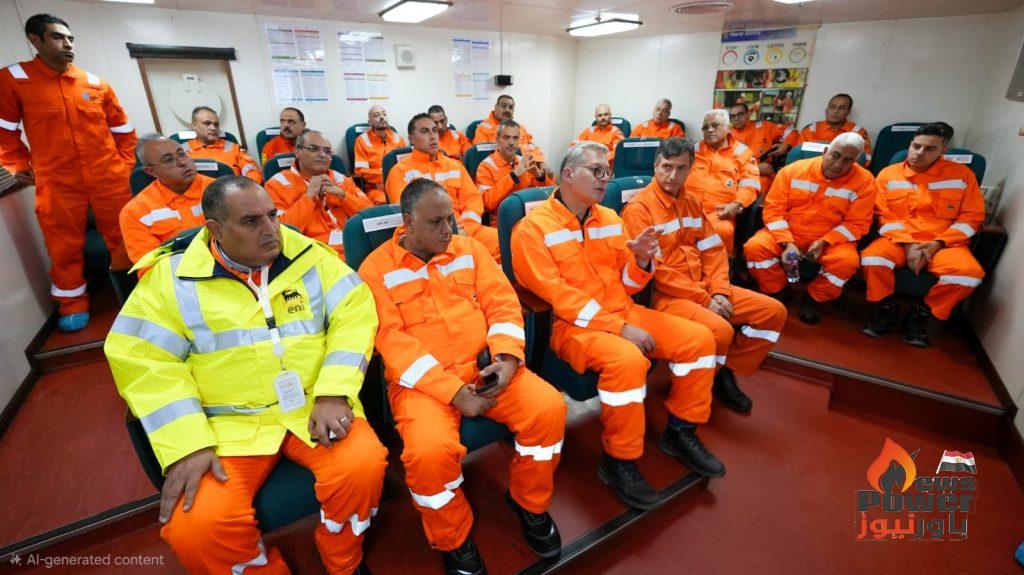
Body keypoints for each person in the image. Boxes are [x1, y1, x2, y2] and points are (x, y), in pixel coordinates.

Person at [104, 176, 387, 574]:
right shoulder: (170, 280)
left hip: (313, 405)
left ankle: (342, 558)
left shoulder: (310, 256)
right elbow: (142, 360)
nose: (271, 230)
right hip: (225, 427)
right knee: (197, 530)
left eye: (273, 215)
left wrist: (334, 391)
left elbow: (355, 317)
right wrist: (188, 444)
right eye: (251, 221)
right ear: (216, 229)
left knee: (363, 466)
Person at [359, 178, 567, 575]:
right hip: (422, 386)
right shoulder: (375, 269)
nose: (447, 230)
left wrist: (507, 358)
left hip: (487, 368)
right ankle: (453, 537)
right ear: (408, 223)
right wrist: (454, 392)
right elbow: (392, 342)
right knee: (428, 456)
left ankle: (528, 503)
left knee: (549, 409)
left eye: (450, 219)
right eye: (436, 222)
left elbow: (502, 304)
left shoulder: (469, 249)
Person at [513, 142, 723, 511]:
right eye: (596, 171)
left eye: (606, 171)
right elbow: (559, 298)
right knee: (627, 360)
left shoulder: (611, 218)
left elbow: (626, 284)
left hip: (623, 311)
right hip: (571, 328)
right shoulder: (531, 229)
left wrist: (640, 261)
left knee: (700, 339)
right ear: (568, 175)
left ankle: (681, 431)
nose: (605, 179)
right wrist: (619, 328)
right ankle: (618, 460)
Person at [622, 138, 787, 414]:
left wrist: (719, 290)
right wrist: (705, 299)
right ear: (655, 166)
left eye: (681, 168)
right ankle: (691, 395)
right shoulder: (639, 209)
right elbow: (657, 272)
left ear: (691, 169)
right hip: (667, 295)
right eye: (666, 167)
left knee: (773, 312)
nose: (673, 175)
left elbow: (713, 250)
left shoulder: (692, 202)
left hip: (706, 286)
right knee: (721, 331)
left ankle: (724, 371)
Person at [0, 13, 137, 331]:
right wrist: (18, 165)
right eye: (58, 37)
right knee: (63, 245)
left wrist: (123, 166)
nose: (68, 44)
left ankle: (138, 292)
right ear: (35, 40)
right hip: (57, 180)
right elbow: (4, 131)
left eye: (70, 38)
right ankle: (72, 304)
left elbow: (124, 131)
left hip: (107, 176)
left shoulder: (94, 83)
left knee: (124, 236)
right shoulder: (14, 79)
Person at [860, 122, 985, 347]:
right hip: (898, 239)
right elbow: (882, 215)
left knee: (969, 274)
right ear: (910, 144)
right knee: (872, 259)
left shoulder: (963, 176)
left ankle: (922, 314)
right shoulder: (888, 174)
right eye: (916, 146)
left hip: (945, 243)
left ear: (943, 150)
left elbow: (971, 218)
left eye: (930, 149)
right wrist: (909, 245)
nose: (919, 153)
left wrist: (937, 243)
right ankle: (886, 307)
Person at [743, 133, 877, 324]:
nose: (838, 164)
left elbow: (857, 223)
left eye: (847, 160)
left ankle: (814, 298)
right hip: (788, 232)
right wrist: (787, 242)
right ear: (825, 151)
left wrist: (825, 242)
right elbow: (774, 211)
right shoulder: (792, 171)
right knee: (755, 248)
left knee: (847, 263)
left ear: (855, 161)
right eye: (835, 155)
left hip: (832, 240)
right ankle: (778, 290)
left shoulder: (865, 182)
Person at [385, 114, 500, 261]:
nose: (433, 136)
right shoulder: (399, 172)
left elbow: (473, 202)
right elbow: (407, 217)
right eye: (425, 131)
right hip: (429, 235)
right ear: (411, 139)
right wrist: (449, 232)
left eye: (434, 130)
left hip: (465, 230)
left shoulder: (455, 166)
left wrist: (466, 229)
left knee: (503, 242)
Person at [265, 130, 373, 258]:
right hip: (313, 252)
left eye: (327, 151)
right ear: (298, 152)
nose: (322, 155)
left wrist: (344, 196)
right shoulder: (276, 184)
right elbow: (279, 232)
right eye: (313, 149)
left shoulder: (341, 179)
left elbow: (371, 215)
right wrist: (308, 197)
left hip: (353, 243)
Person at [120, 135, 213, 265]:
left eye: (182, 154)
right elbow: (150, 265)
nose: (182, 162)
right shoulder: (135, 212)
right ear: (151, 171)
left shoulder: (221, 190)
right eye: (169, 160)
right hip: (179, 274)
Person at [684, 109, 761, 255]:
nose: (709, 130)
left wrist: (737, 205)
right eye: (705, 127)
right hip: (686, 209)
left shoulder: (743, 153)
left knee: (722, 231)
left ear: (728, 128)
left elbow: (750, 185)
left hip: (719, 213)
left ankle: (720, 266)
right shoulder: (691, 150)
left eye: (715, 125)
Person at [477, 119, 550, 214]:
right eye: (506, 137)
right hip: (502, 219)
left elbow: (549, 196)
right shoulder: (485, 166)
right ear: (497, 140)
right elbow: (486, 203)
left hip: (529, 216)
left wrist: (540, 177)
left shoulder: (525, 162)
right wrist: (513, 176)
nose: (511, 142)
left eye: (515, 138)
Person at [787, 94, 873, 165]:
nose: (836, 111)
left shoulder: (858, 132)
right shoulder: (810, 129)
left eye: (842, 108)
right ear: (826, 110)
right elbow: (795, 156)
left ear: (848, 112)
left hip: (843, 174)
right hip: (809, 172)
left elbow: (865, 161)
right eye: (832, 107)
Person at [186, 106, 262, 183]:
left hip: (232, 189)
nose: (213, 128)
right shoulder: (182, 152)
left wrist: (245, 188)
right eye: (207, 123)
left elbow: (254, 173)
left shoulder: (235, 149)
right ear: (194, 125)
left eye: (216, 124)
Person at [729, 101, 792, 192]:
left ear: (748, 114)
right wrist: (755, 168)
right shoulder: (727, 136)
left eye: (740, 114)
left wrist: (786, 144)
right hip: (738, 176)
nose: (736, 118)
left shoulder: (764, 127)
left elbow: (791, 131)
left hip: (764, 175)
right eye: (733, 116)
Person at [471, 95, 548, 165]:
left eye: (511, 107)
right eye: (503, 106)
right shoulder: (483, 128)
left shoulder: (521, 128)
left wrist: (541, 163)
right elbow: (480, 155)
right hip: (500, 168)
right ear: (496, 107)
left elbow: (532, 148)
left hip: (526, 166)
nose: (507, 110)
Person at [354, 105, 407, 205]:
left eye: (384, 114)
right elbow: (361, 170)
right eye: (376, 115)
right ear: (370, 122)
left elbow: (405, 166)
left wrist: (391, 178)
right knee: (384, 203)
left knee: (407, 200)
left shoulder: (399, 139)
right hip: (375, 187)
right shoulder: (361, 141)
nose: (382, 117)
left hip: (397, 183)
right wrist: (382, 174)